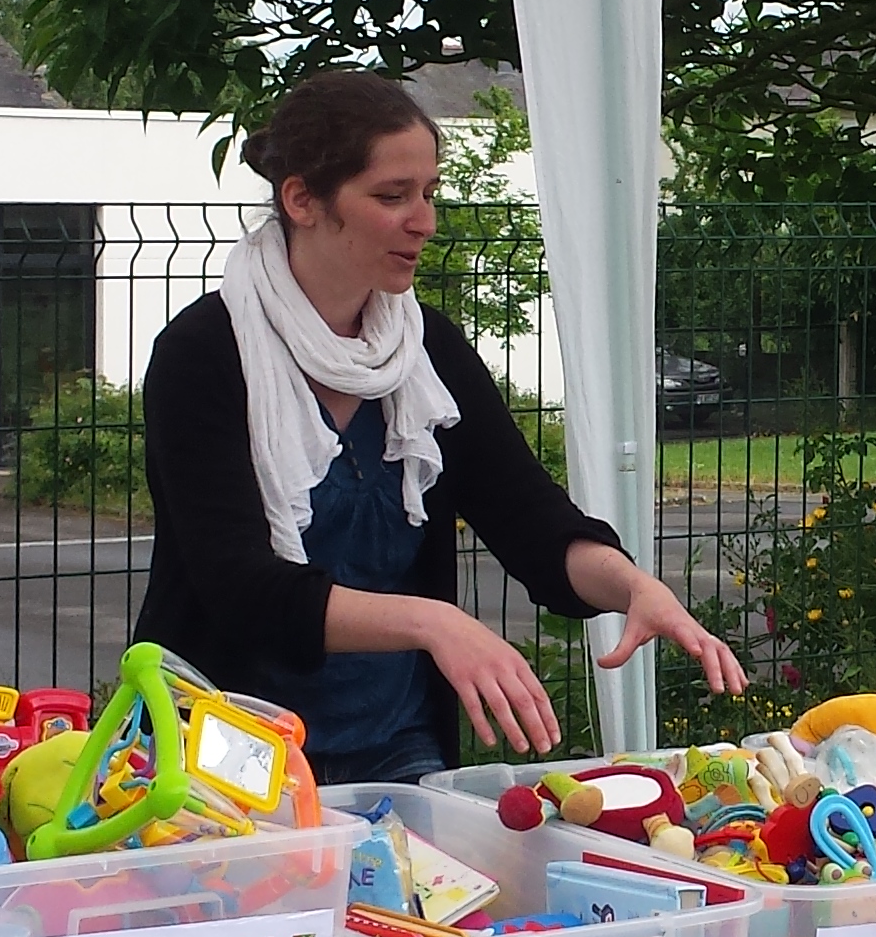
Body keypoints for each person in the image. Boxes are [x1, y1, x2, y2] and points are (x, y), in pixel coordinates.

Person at [133, 72, 743, 785]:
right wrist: (435, 623)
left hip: (398, 748)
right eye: (393, 196)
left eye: (429, 193)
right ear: (302, 200)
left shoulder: (426, 351)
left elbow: (527, 517)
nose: (423, 221)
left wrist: (631, 585)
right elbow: (240, 590)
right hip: (222, 757)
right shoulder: (204, 355)